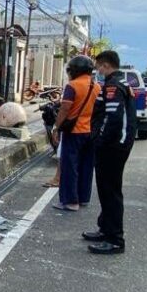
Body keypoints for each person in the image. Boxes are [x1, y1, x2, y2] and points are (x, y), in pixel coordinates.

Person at [82, 50, 137, 255]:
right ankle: (105, 228)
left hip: (113, 146)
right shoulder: (120, 82)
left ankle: (115, 239)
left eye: (98, 67)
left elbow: (113, 119)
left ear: (105, 65)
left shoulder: (114, 85)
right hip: (117, 144)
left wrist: (100, 141)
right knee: (106, 190)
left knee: (110, 191)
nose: (97, 70)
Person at [50, 55, 101, 212]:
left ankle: (70, 201)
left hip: (74, 131)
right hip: (90, 132)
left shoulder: (72, 86)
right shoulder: (96, 86)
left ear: (75, 70)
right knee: (86, 166)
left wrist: (56, 127)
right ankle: (83, 197)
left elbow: (65, 109)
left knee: (70, 166)